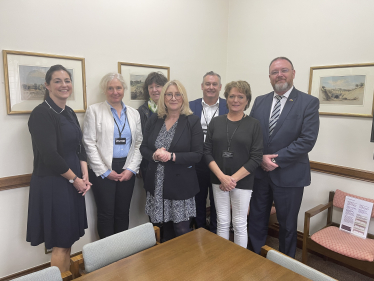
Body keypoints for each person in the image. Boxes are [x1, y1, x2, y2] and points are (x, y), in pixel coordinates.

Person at [248, 57, 319, 258]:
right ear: (269, 77)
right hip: (260, 174)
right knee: (257, 219)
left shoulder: (308, 102)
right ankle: (254, 257)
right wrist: (260, 157)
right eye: (274, 72)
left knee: (287, 225)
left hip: (290, 176)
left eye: (284, 70)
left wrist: (275, 160)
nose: (279, 75)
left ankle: (285, 265)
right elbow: (252, 134)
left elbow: (307, 140)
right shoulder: (260, 101)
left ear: (293, 73)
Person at [27, 65, 91, 273]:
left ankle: (67, 276)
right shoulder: (41, 114)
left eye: (67, 80)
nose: (64, 85)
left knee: (69, 237)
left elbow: (79, 147)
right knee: (61, 241)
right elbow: (50, 156)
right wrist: (75, 180)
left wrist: (85, 175)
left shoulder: (69, 111)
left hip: (73, 181)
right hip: (55, 183)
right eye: (57, 81)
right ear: (47, 85)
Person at [140, 80, 203, 241]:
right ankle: (165, 265)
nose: (173, 98)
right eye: (169, 94)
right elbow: (144, 148)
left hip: (180, 187)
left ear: (183, 97)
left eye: (177, 94)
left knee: (181, 230)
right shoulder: (154, 120)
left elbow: (197, 154)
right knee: (162, 229)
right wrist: (154, 154)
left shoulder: (192, 121)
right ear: (163, 97)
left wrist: (172, 156)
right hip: (157, 185)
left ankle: (183, 265)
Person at [83, 73, 142, 239]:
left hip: (127, 167)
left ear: (124, 89)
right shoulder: (94, 111)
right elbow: (89, 143)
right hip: (103, 168)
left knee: (123, 212)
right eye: (110, 88)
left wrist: (131, 169)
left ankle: (121, 253)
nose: (115, 91)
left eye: (118, 87)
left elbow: (138, 144)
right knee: (106, 213)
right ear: (105, 90)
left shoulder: (133, 113)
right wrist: (104, 171)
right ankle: (107, 258)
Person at [204, 80, 263, 248]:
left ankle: (239, 263)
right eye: (232, 96)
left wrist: (232, 180)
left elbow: (256, 157)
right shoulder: (216, 122)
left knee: (239, 223)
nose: (235, 100)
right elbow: (206, 151)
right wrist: (222, 178)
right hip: (218, 180)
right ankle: (224, 259)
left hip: (242, 181)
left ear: (247, 100)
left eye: (240, 96)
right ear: (226, 98)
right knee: (222, 221)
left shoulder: (254, 125)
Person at [189, 71, 229, 233]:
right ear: (202, 86)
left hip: (219, 162)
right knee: (197, 199)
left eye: (214, 84)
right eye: (207, 84)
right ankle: (199, 230)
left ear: (220, 87)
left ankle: (214, 232)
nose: (211, 87)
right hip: (197, 161)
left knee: (217, 200)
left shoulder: (229, 105)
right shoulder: (191, 106)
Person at [138, 72, 168, 179]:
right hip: (149, 161)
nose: (154, 90)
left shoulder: (173, 108)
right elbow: (139, 139)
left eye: (158, 86)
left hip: (169, 161)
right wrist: (139, 166)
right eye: (151, 87)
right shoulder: (142, 111)